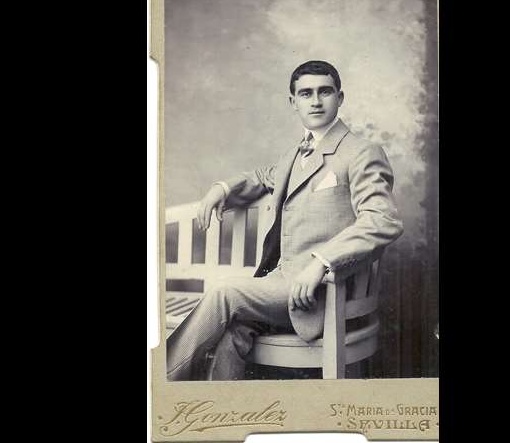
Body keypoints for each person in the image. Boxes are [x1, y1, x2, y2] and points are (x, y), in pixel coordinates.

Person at [166, 60, 403, 381]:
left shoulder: (362, 152)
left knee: (224, 295)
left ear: (340, 98)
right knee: (231, 331)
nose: (316, 101)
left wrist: (322, 262)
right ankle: (222, 413)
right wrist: (221, 189)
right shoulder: (295, 154)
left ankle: (159, 380)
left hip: (323, 290)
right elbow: (263, 178)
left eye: (325, 92)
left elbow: (382, 220)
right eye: (306, 94)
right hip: (280, 282)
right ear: (293, 103)